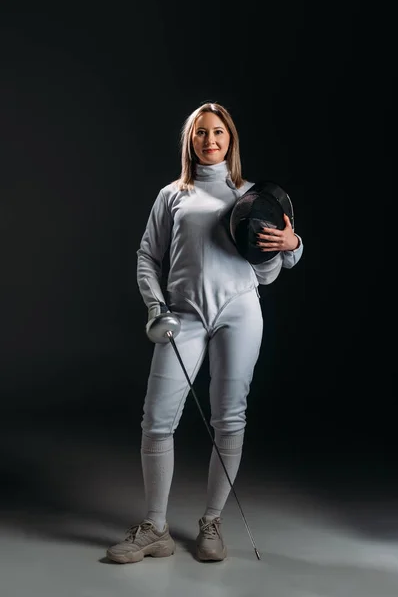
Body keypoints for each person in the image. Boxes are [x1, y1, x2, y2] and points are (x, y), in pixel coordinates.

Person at [106, 102, 303, 564]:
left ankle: (211, 520)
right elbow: (146, 256)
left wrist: (291, 244)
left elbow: (276, 265)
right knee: (157, 418)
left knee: (229, 418)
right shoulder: (172, 195)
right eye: (200, 133)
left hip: (239, 312)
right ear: (189, 141)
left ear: (230, 139)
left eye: (218, 132)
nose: (210, 140)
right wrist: (156, 306)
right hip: (183, 315)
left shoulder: (257, 196)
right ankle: (155, 527)